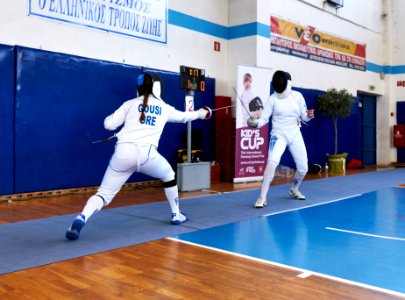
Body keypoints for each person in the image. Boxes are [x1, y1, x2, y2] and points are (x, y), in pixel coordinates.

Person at [65, 72, 210, 240]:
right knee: (169, 175)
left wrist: (115, 117)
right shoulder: (164, 108)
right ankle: (176, 214)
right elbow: (185, 117)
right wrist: (201, 113)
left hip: (123, 155)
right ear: (157, 88)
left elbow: (108, 125)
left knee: (103, 194)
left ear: (139, 88)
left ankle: (81, 217)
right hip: (148, 156)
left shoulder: (129, 104)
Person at [247, 70, 314, 208]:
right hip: (279, 134)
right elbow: (263, 119)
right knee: (271, 163)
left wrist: (309, 115)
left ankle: (294, 189)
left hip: (295, 133)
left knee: (303, 168)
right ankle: (262, 197)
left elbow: (304, 116)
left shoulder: (298, 96)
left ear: (287, 83)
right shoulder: (272, 99)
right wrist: (254, 123)